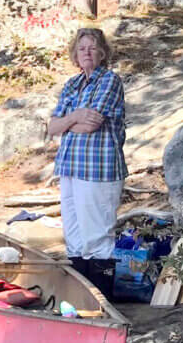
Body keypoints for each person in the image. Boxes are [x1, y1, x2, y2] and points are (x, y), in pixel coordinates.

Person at [47, 28, 127, 298]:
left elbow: (92, 124)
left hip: (98, 169)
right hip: (70, 167)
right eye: (82, 48)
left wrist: (69, 121)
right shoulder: (72, 84)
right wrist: (76, 117)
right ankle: (81, 300)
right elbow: (52, 127)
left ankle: (103, 303)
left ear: (102, 52)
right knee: (75, 239)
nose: (87, 53)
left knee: (97, 239)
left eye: (92, 48)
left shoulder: (110, 81)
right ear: (75, 53)